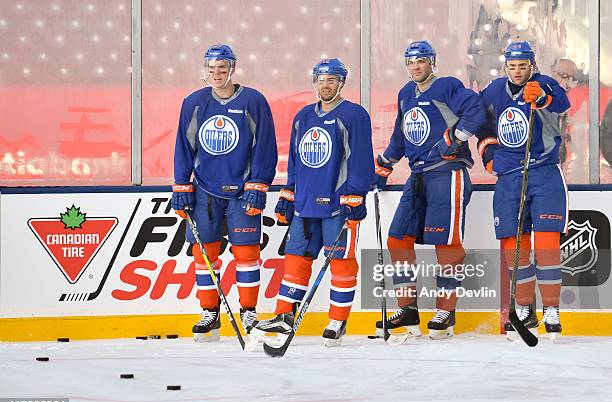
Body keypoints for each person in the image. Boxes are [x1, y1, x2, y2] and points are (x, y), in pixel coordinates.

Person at [251, 58, 374, 346]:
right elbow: (295, 160)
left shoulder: (355, 115)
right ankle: (284, 316)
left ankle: (337, 320)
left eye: (331, 80)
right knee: (295, 260)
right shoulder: (304, 116)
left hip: (337, 203)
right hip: (305, 204)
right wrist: (289, 192)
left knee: (341, 262)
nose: (325, 85)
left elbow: (360, 159)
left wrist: (356, 193)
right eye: (320, 79)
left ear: (341, 82)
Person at [373, 40, 485, 339]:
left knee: (446, 244)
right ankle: (408, 308)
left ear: (432, 62)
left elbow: (475, 109)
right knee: (397, 238)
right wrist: (385, 163)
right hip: (418, 175)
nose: (415, 67)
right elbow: (401, 133)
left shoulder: (447, 85)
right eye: (410, 62)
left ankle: (445, 312)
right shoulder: (406, 93)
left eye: (421, 61)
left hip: (447, 174)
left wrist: (457, 137)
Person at [172, 44, 278, 342]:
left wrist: (258, 184)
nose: (216, 74)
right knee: (204, 253)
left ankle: (248, 311)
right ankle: (210, 313)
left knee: (247, 252)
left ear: (232, 69)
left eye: (222, 69)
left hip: (242, 190)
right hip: (205, 190)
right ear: (204, 70)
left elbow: (264, 146)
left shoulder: (253, 101)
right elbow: (183, 145)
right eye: (211, 69)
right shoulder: (193, 103)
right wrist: (182, 184)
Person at [476, 41, 570, 340]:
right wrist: (488, 153)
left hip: (543, 172)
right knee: (514, 247)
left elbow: (562, 104)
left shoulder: (546, 83)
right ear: (506, 67)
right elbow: (481, 124)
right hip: (510, 178)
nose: (518, 72)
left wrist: (542, 98)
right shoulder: (493, 91)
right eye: (512, 66)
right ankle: (525, 307)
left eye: (523, 66)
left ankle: (552, 309)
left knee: (546, 243)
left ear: (532, 65)